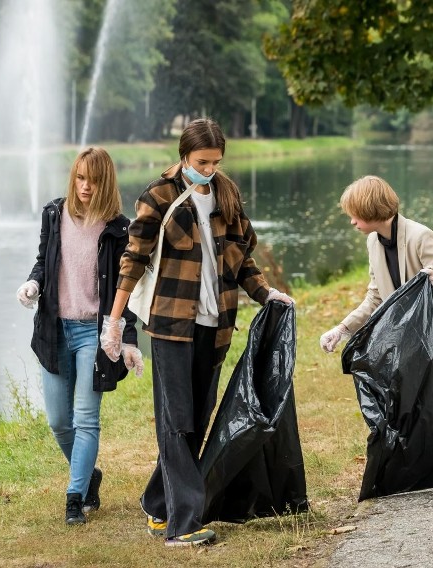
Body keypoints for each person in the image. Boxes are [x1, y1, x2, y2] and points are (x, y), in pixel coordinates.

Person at [100, 118, 294, 547]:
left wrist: (267, 295)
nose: (209, 170)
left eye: (216, 162)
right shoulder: (159, 195)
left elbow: (243, 259)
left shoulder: (226, 193)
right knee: (175, 419)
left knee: (196, 422)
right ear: (183, 156)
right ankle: (182, 525)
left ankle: (156, 501)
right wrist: (114, 322)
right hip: (171, 324)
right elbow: (133, 259)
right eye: (202, 162)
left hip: (217, 323)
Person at [16, 147, 143, 525]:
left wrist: (127, 336)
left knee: (87, 418)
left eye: (94, 180)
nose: (85, 187)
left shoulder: (119, 228)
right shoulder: (54, 214)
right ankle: (89, 474)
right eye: (80, 178)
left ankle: (75, 498)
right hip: (55, 328)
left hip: (95, 332)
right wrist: (33, 284)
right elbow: (44, 261)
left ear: (106, 183)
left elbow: (128, 286)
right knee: (58, 420)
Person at [319, 175, 433, 374]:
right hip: (412, 341)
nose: (352, 222)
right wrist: (342, 329)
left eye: (355, 214)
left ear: (369, 209)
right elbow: (375, 297)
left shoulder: (421, 236)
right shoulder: (373, 241)